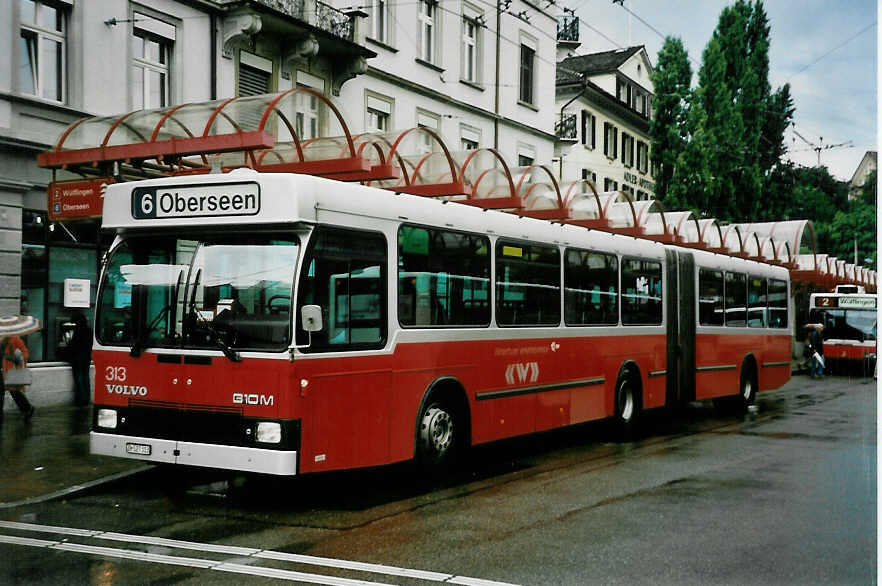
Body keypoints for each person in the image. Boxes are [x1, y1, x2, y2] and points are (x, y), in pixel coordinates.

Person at [1, 335, 34, 422]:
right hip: (5, 369)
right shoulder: (2, 340)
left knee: (14, 391)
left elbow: (24, 354)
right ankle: (27, 408)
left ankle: (28, 408)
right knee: (13, 391)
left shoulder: (14, 339)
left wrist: (13, 357)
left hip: (11, 370)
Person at [68, 312, 93, 406]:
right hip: (86, 357)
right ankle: (86, 398)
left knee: (79, 377)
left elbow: (74, 345)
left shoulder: (78, 330)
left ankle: (81, 399)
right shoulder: (89, 330)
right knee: (85, 377)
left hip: (78, 358)